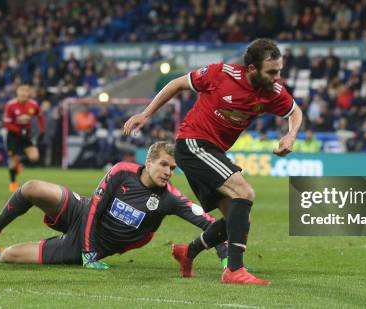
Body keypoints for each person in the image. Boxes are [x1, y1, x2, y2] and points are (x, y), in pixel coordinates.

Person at [123, 38, 303, 285]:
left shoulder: (272, 92)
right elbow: (177, 84)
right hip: (192, 144)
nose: (277, 77)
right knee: (244, 192)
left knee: (239, 217)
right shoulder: (220, 74)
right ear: (251, 69)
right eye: (272, 71)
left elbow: (294, 111)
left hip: (212, 152)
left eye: (279, 70)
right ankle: (234, 270)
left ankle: (188, 252)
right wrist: (146, 114)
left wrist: (291, 135)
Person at [0, 142, 227, 268]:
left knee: (11, 256)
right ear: (149, 161)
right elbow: (96, 207)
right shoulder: (122, 171)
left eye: (173, 167)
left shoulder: (170, 198)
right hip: (84, 213)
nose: (168, 171)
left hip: (97, 244)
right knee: (31, 188)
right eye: (164, 164)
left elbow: (209, 223)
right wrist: (87, 252)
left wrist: (227, 258)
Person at [3, 85, 45, 192]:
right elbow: (6, 124)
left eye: (26, 95)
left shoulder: (33, 105)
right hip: (13, 136)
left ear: (28, 95)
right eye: (21, 94)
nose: (23, 96)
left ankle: (20, 163)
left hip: (26, 135)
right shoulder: (10, 105)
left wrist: (42, 130)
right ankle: (13, 183)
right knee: (13, 161)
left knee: (35, 157)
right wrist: (19, 130)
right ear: (17, 94)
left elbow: (40, 116)